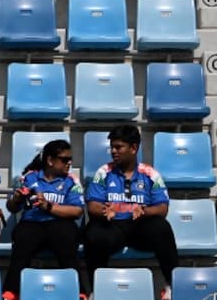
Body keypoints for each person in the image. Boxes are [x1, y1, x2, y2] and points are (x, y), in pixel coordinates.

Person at [83, 125, 179, 300]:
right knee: (93, 233)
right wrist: (105, 211)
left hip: (139, 227)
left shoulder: (150, 174)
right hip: (112, 226)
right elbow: (92, 206)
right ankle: (96, 289)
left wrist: (144, 211)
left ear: (133, 148)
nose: (113, 151)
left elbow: (162, 208)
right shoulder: (103, 172)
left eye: (118, 147)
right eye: (112, 147)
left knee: (162, 228)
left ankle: (172, 285)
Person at [1, 139, 86, 300]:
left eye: (70, 160)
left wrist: (48, 207)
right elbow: (12, 208)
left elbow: (77, 211)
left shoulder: (71, 181)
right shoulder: (29, 178)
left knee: (67, 240)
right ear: (50, 160)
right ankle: (11, 292)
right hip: (33, 223)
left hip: (59, 223)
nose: (69, 163)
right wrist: (17, 199)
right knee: (22, 239)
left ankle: (78, 291)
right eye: (64, 159)